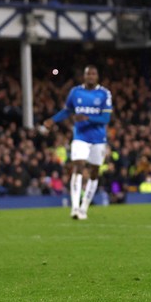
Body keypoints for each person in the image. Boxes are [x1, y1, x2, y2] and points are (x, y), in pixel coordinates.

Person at [41, 65, 113, 220]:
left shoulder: (104, 94)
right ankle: (74, 207)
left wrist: (87, 118)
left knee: (94, 172)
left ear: (97, 76)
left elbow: (106, 118)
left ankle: (84, 207)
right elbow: (67, 110)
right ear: (84, 76)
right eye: (88, 74)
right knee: (78, 166)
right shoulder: (75, 92)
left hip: (98, 139)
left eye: (94, 74)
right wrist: (53, 120)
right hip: (80, 137)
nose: (91, 76)